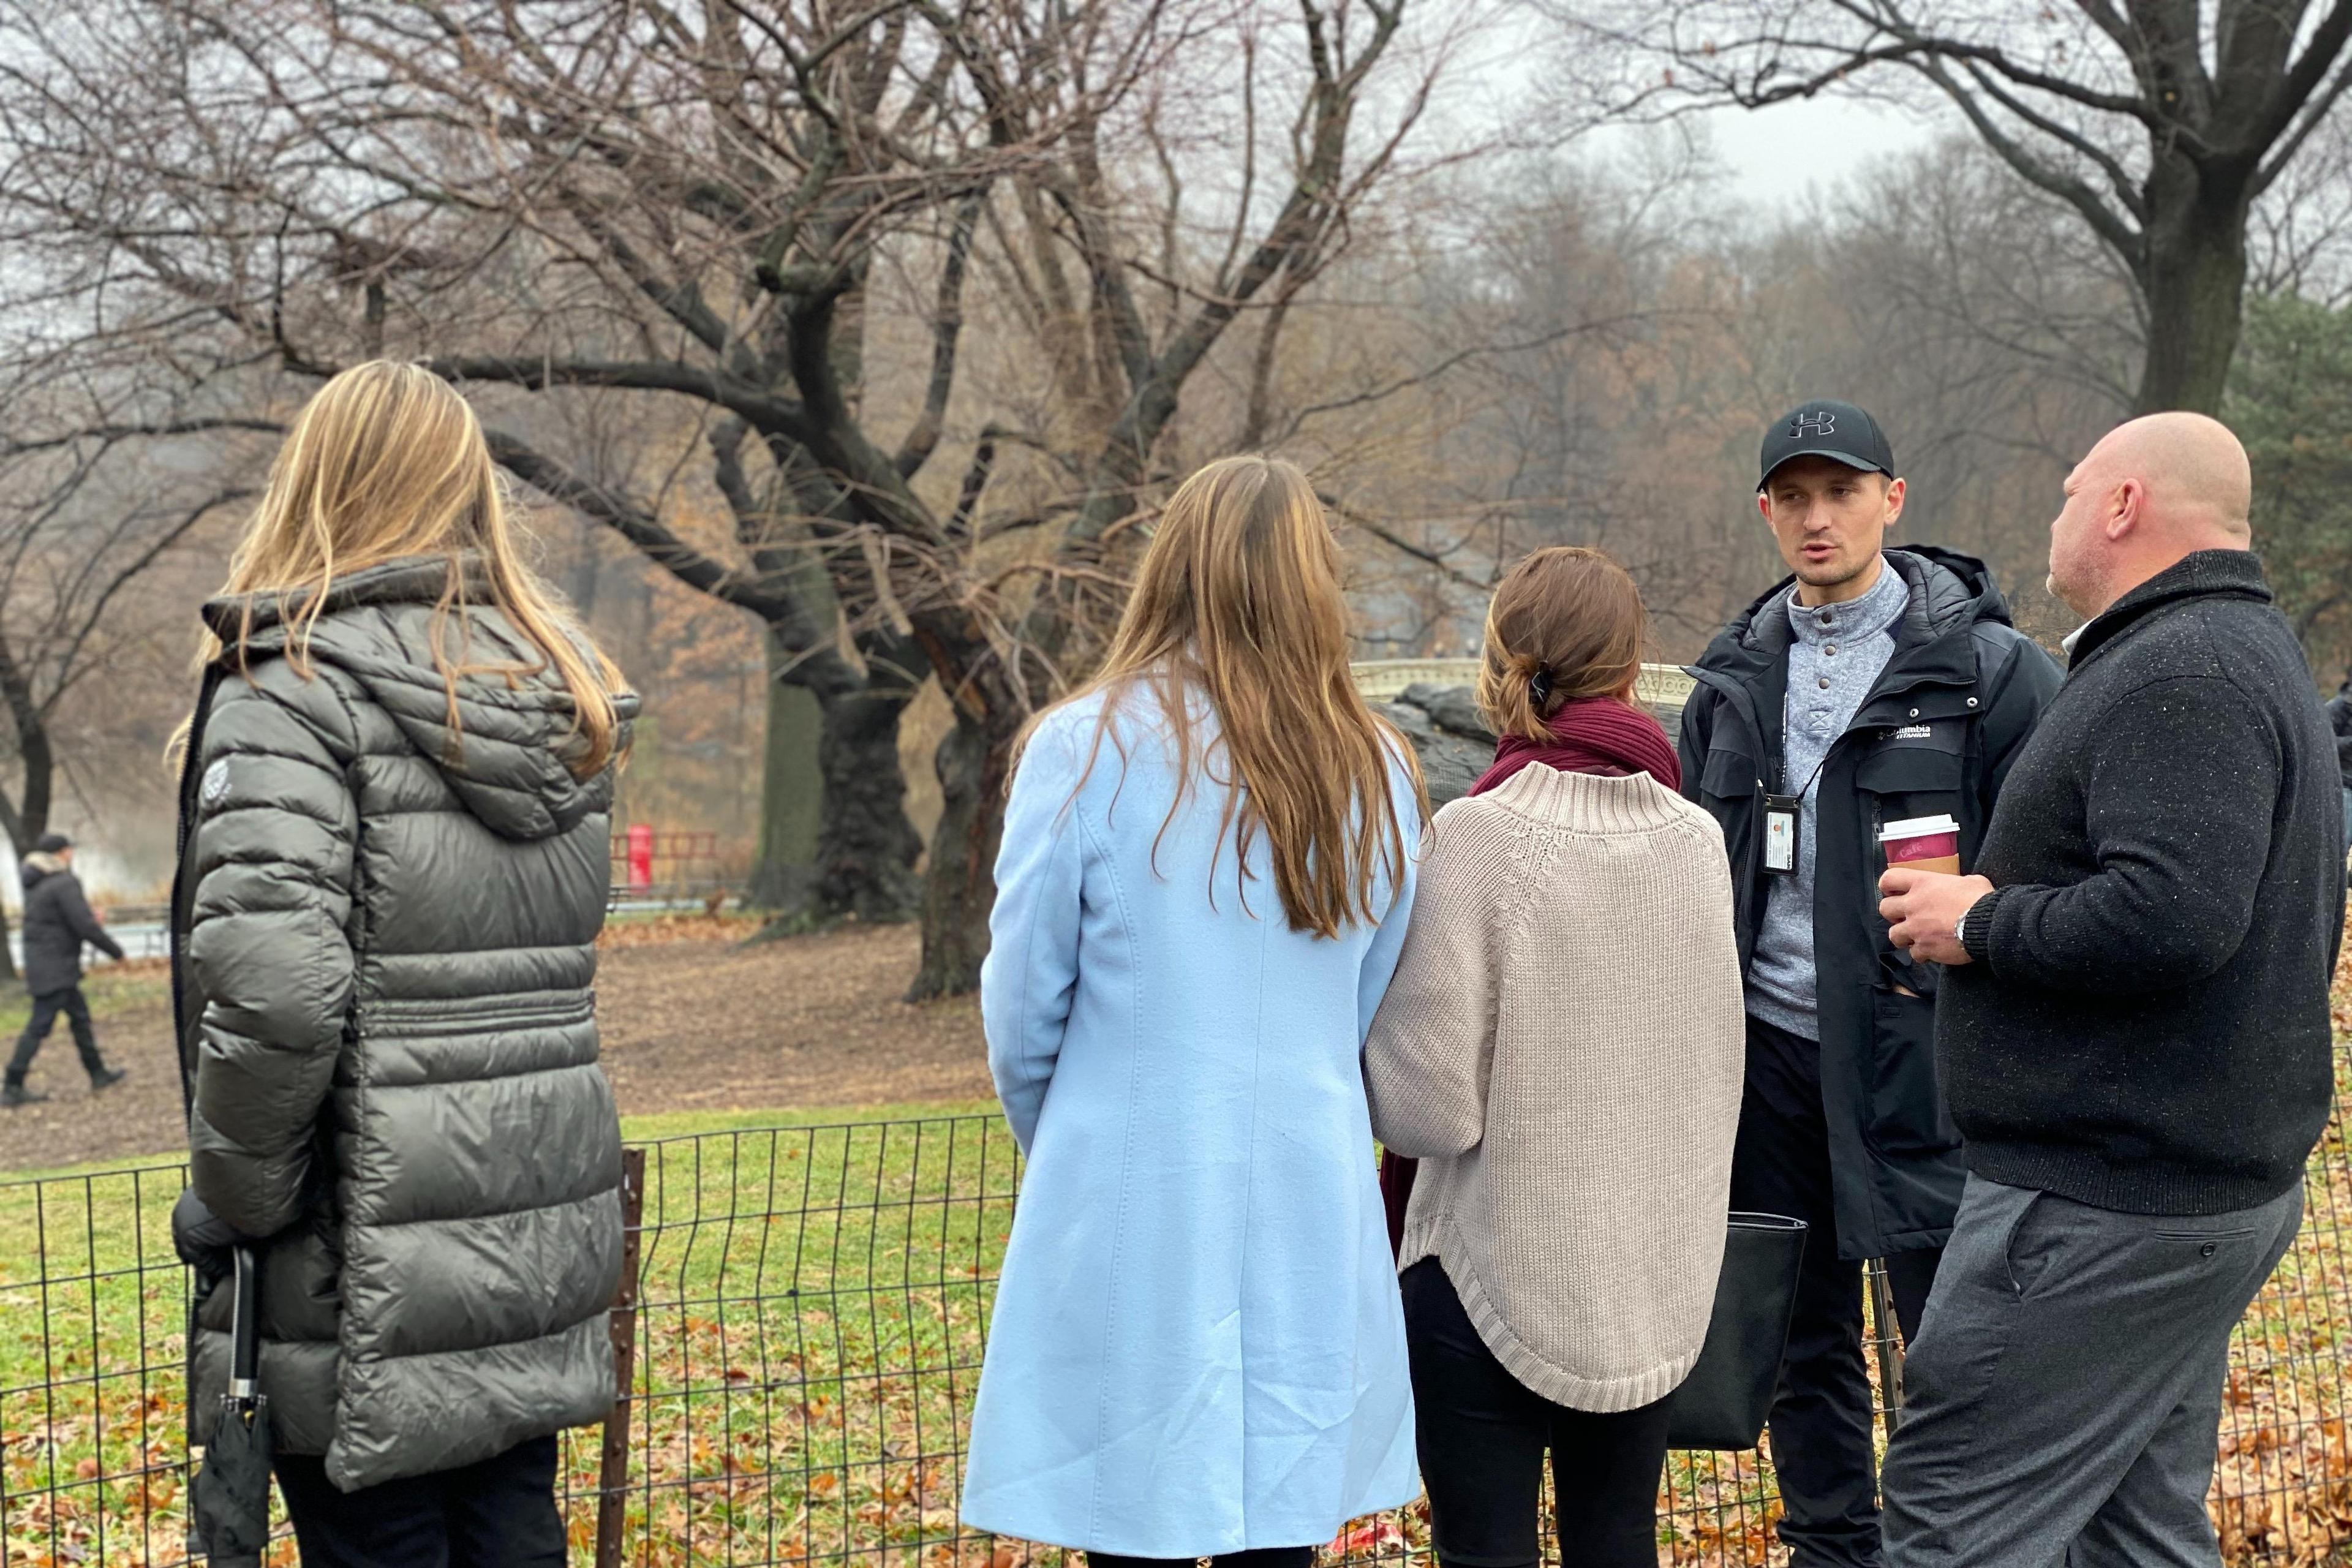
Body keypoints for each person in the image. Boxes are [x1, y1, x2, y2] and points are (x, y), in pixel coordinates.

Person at [168, 361, 636, 1566]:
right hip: (528, 1227)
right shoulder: (559, 690)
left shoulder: (290, 690)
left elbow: (274, 987)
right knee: (511, 1531)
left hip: (357, 1250)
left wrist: (238, 1202)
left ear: (311, 481)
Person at [1876, 412, 2345, 1566]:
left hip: (2099, 1207)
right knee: (2135, 1532)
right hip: (2179, 1193)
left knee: (1954, 1522)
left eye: (2071, 490)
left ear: (2126, 505)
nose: (2057, 513)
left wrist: (1978, 919)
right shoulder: (2237, 650)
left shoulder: (2182, 670)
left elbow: (2176, 914)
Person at [960, 456, 1425, 1565]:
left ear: (1171, 569)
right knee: (1282, 1525)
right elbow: (1368, 998)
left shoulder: (1085, 747)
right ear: (1315, 581)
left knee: (1134, 1516)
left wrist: (1071, 1140)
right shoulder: (1379, 768)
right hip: (1308, 1187)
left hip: (1133, 1185)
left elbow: (1023, 1001)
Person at [1678, 399, 2062, 1568]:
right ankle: (1831, 1548)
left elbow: (2047, 871)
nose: (1816, 517)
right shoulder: (1729, 681)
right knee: (1800, 1341)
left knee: (1953, 1337)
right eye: (1792, 497)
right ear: (1765, 512)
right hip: (1765, 1057)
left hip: (1927, 1060)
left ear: (1892, 501)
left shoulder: (1989, 675)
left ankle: (1963, 1547)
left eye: (1840, 492)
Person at [1363, 547, 1744, 1568]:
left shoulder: (1476, 836)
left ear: (1504, 665)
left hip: (1486, 1275)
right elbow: (1718, 1080)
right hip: (1649, 1289)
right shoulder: (1699, 842)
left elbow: (1426, 1117)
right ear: (1631, 672)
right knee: (1616, 1544)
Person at [2, 832, 129, 1107]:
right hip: (56, 968)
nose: (72, 854)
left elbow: (60, 921)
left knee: (80, 1019)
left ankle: (97, 1073)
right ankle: (12, 1084)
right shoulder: (63, 882)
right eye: (69, 850)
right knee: (39, 1026)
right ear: (61, 853)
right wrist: (115, 951)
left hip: (49, 965)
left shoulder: (37, 884)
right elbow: (83, 925)